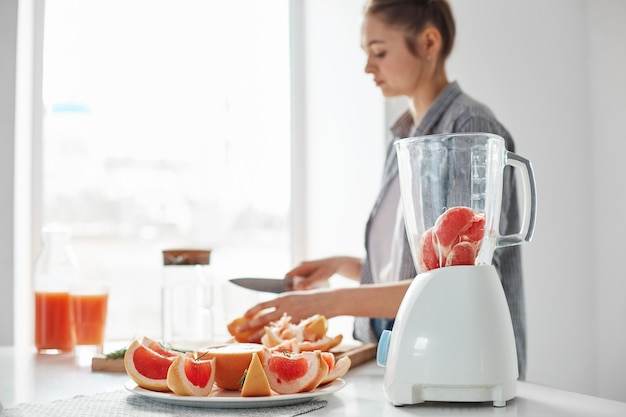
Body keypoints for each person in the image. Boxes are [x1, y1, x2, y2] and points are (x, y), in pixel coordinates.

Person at [236, 0, 527, 380]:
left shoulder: (467, 126)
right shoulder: (406, 137)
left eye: (379, 52)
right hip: (408, 365)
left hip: (456, 369)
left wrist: (325, 302)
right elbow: (421, 271)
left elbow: (455, 285)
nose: (368, 67)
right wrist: (343, 266)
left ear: (428, 42)